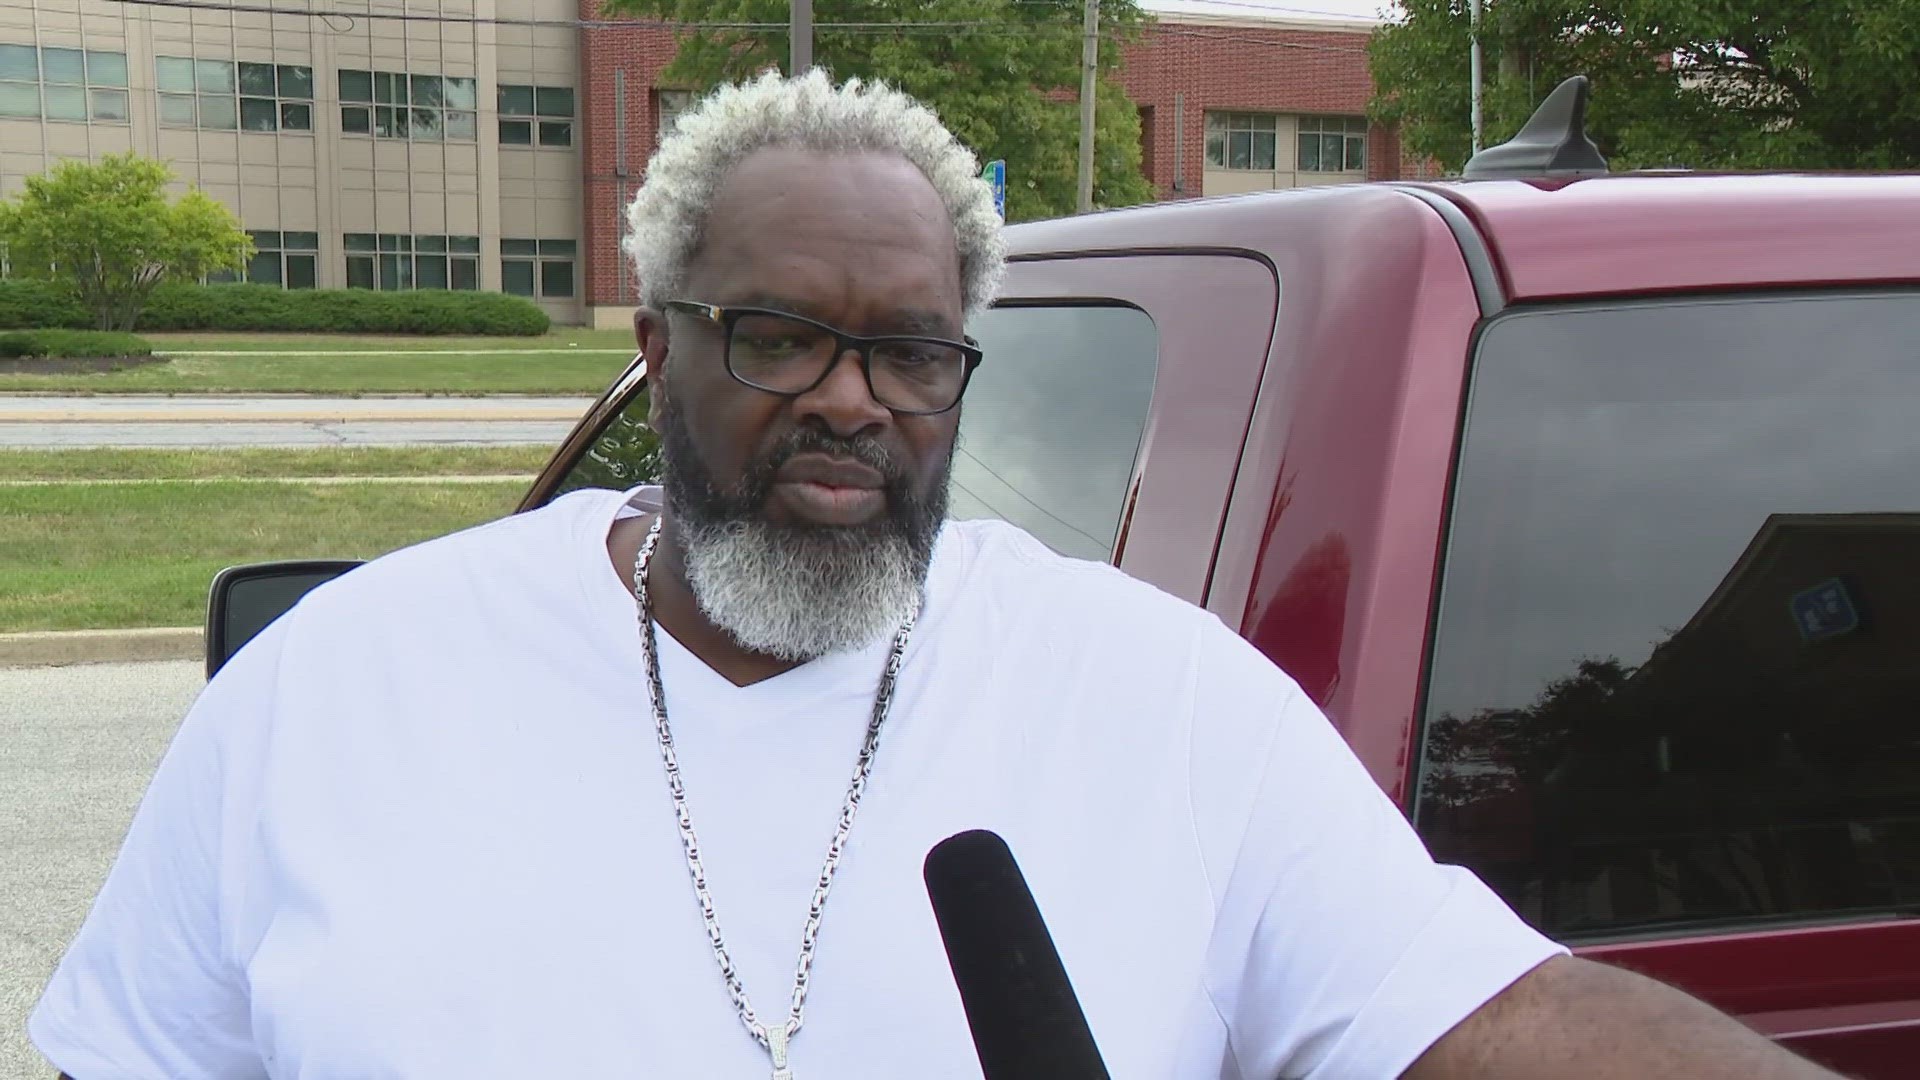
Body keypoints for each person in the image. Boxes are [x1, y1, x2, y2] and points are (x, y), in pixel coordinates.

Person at [32, 70, 1842, 1080]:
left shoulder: (1162, 697)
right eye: (779, 336)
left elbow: (1499, 1015)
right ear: (660, 348)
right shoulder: (341, 685)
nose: (851, 403)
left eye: (912, 351)